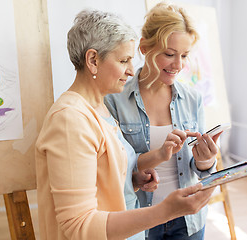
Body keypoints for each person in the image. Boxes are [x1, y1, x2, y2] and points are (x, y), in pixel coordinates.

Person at [35, 9, 215, 240]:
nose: (131, 70)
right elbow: (78, 225)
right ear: (93, 60)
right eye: (123, 61)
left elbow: (107, 176)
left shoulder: (98, 109)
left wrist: (132, 180)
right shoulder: (70, 120)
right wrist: (166, 211)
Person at [104, 3, 221, 239]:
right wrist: (157, 155)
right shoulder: (115, 99)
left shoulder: (192, 99)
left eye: (184, 55)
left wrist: (206, 160)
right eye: (169, 54)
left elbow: (200, 171)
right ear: (145, 47)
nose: (178, 65)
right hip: (138, 221)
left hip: (187, 219)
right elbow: (113, 169)